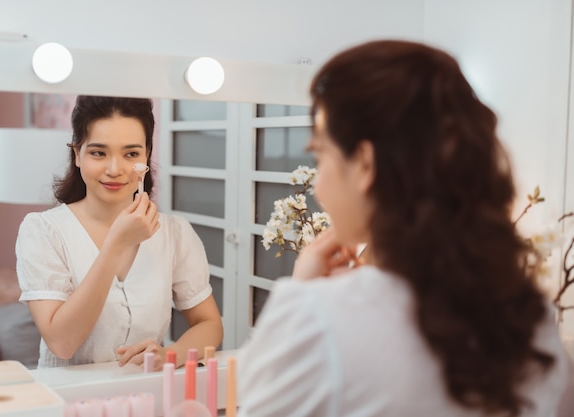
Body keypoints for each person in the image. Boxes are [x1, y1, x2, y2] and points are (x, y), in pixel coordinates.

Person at [238, 40, 574, 417]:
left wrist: (302, 293)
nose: (317, 186)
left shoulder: (316, 320)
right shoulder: (531, 320)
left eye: (321, 154)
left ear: (365, 163)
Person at [16, 96, 223, 369]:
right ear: (77, 154)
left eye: (131, 154)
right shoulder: (42, 231)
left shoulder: (175, 233)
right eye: (98, 153)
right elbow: (62, 343)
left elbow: (209, 324)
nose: (115, 169)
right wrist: (116, 245)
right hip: (69, 402)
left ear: (146, 156)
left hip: (147, 398)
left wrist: (171, 354)